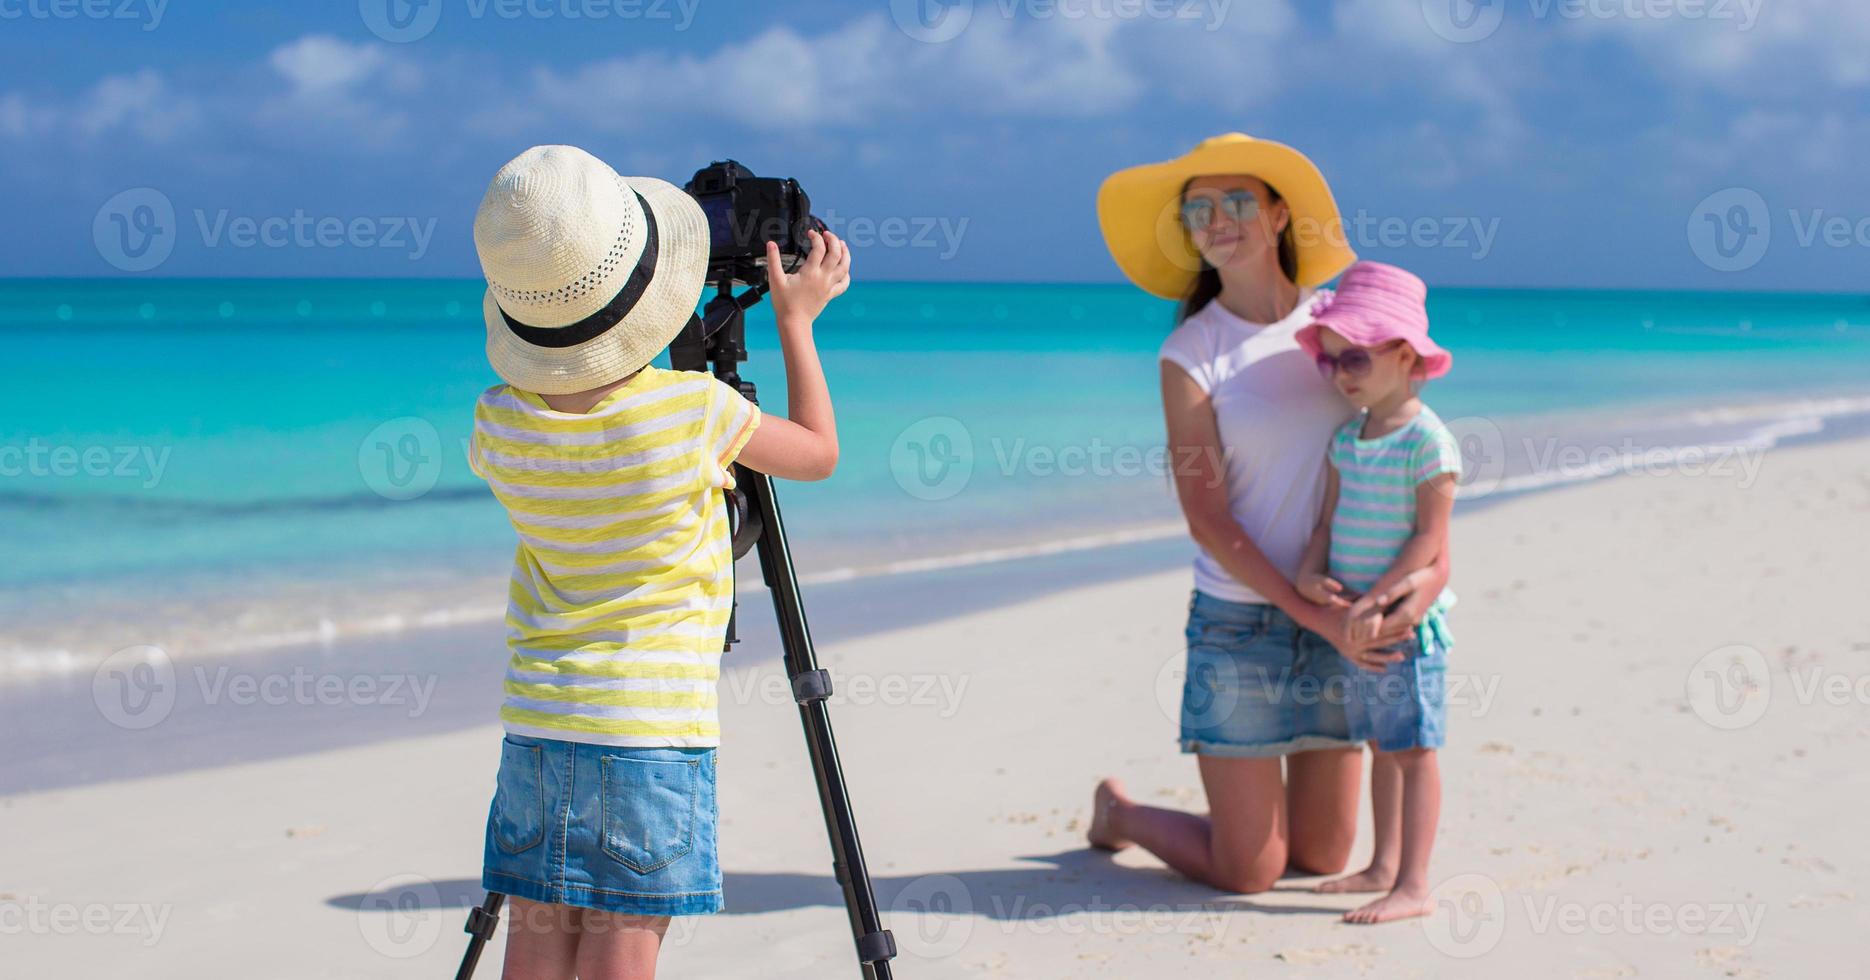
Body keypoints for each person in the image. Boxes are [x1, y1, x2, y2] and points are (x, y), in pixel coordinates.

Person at [466, 145, 850, 979]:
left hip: (538, 725)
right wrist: (795, 322)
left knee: (537, 940)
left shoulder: (496, 422)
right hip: (646, 734)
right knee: (620, 951)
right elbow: (818, 452)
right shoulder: (698, 412)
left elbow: (596, 437)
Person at [1085, 134, 1449, 894]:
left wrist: (1431, 572)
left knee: (1324, 858)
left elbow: (1413, 459)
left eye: (1239, 202)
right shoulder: (1191, 352)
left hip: (1341, 615)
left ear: (1281, 215)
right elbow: (1208, 517)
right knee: (1249, 872)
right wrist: (1306, 614)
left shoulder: (1340, 330)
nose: (1219, 220)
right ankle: (1119, 814)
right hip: (1240, 624)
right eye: (1199, 210)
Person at [1293, 261, 1459, 924]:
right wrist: (1309, 574)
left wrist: (1380, 597)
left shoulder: (1429, 442)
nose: (1341, 375)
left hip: (1402, 627)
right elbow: (1327, 523)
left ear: (1403, 354)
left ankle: (1414, 884)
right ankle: (1383, 864)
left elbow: (1429, 541)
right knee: (1380, 745)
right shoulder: (1347, 437)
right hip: (1356, 625)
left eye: (1355, 358)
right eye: (1332, 362)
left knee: (1414, 750)